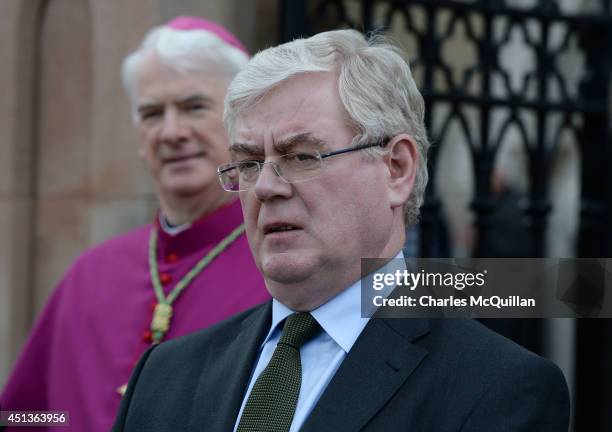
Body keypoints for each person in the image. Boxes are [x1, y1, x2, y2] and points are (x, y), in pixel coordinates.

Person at [112, 29, 570, 431]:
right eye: (249, 163)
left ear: (396, 168)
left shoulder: (496, 389)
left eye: (301, 156)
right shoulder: (163, 376)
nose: (266, 187)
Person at [0, 16, 269, 432]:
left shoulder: (287, 261)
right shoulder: (88, 273)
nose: (171, 132)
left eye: (193, 107)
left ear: (243, 123)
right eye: (151, 114)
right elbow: (22, 415)